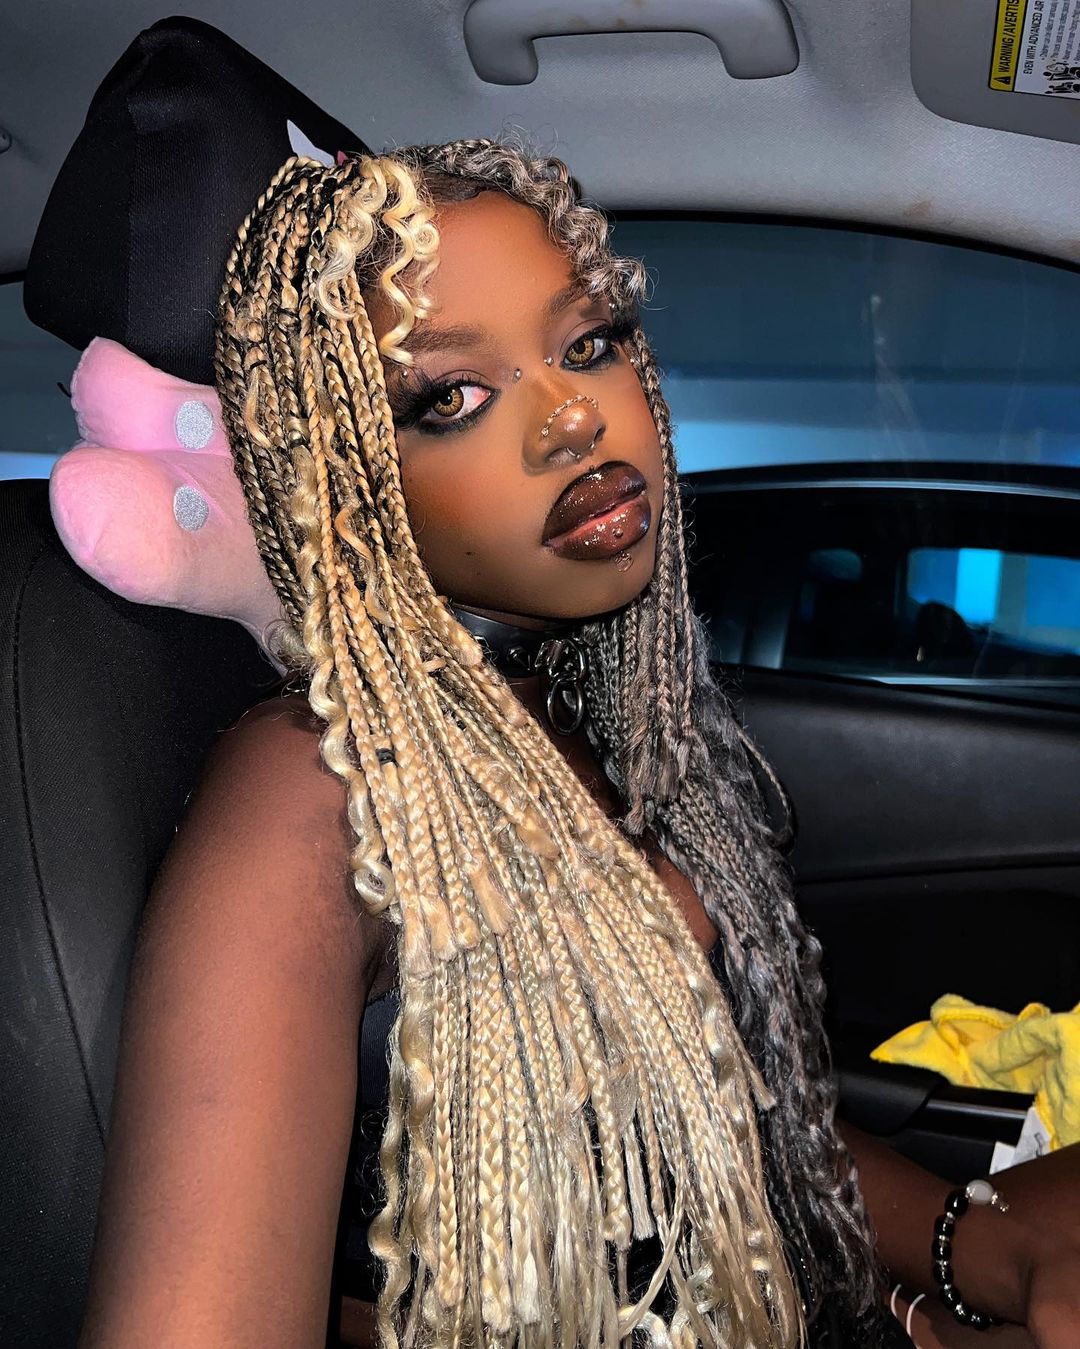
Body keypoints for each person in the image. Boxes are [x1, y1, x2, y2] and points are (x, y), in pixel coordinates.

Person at [75, 140, 1080, 1349]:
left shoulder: (577, 713)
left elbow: (723, 1141)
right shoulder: (313, 794)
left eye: (589, 342)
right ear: (348, 485)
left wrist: (981, 1249)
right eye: (452, 397)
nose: (570, 415)